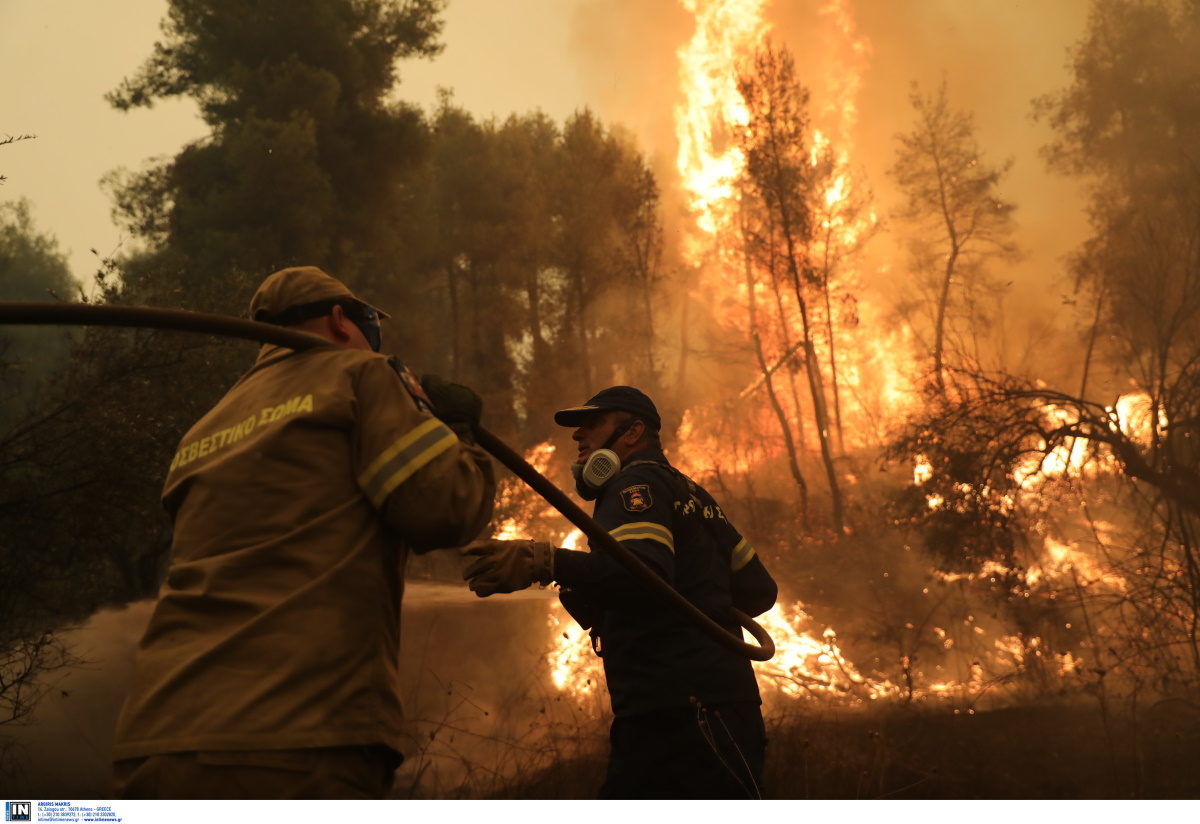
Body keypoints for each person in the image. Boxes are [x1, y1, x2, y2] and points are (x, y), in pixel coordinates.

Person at [112, 266, 496, 799]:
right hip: (295, 738)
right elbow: (444, 509)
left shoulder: (204, 430)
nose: (374, 342)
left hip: (156, 743)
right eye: (371, 327)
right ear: (340, 320)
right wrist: (455, 431)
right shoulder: (360, 376)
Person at [463, 386, 777, 799]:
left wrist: (547, 562)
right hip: (714, 708)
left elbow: (640, 573)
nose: (578, 435)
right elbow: (759, 590)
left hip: (678, 716)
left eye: (593, 423)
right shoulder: (693, 494)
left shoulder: (634, 484)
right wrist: (695, 601)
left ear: (632, 433)